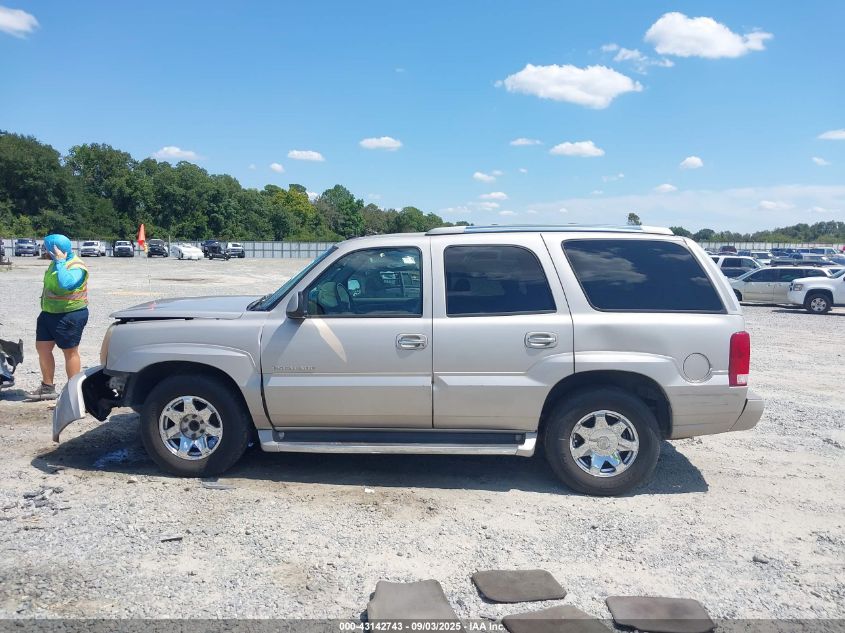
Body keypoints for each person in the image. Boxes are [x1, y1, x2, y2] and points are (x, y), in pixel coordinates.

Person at [26, 234, 90, 401]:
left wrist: (61, 262)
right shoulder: (54, 263)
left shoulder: (76, 265)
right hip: (48, 313)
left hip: (69, 315)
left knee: (70, 352)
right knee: (42, 348)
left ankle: (74, 392)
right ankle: (47, 387)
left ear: (55, 249)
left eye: (47, 248)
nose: (44, 251)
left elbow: (66, 284)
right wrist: (58, 261)